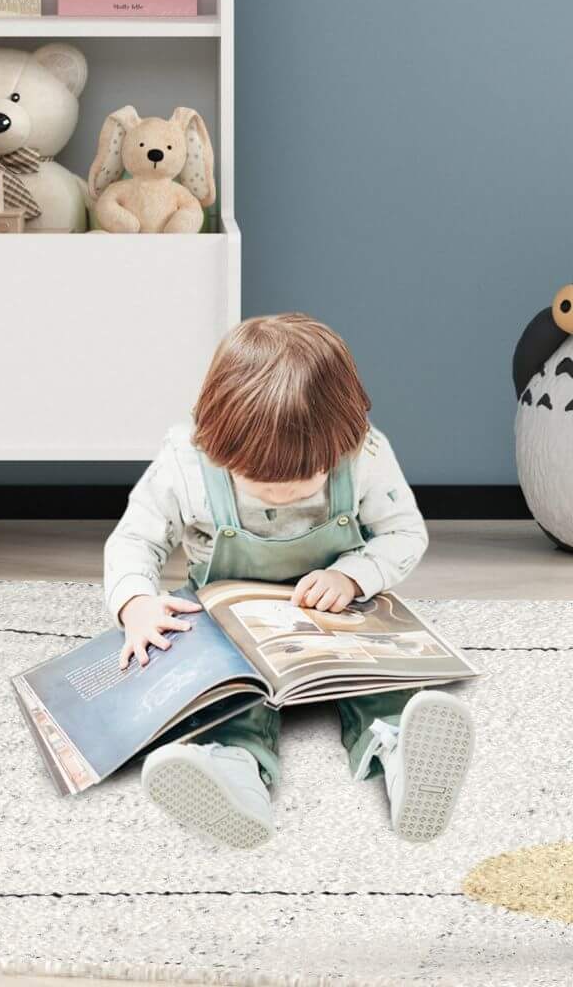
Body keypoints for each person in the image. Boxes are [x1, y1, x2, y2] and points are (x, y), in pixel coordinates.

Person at [106, 313, 473, 848]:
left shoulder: (364, 455)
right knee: (229, 699)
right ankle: (233, 773)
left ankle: (403, 754)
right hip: (227, 622)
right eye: (259, 482)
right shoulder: (186, 464)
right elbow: (134, 541)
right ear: (215, 440)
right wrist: (135, 602)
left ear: (344, 441)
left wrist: (353, 576)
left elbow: (403, 533)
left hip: (335, 613)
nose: (282, 495)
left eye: (305, 481)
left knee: (378, 682)